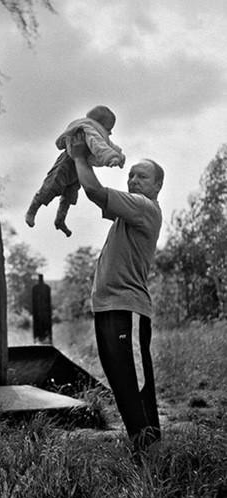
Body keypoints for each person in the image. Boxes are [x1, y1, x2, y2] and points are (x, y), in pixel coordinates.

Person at [70, 130, 164, 456]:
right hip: (109, 307)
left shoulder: (144, 207)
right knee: (122, 382)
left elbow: (94, 191)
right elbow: (98, 197)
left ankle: (150, 451)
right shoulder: (127, 215)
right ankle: (143, 446)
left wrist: (79, 155)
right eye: (131, 175)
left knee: (133, 382)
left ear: (157, 187)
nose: (133, 180)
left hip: (128, 308)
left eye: (142, 176)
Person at [25, 105, 125, 236]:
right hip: (67, 161)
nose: (110, 133)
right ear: (99, 124)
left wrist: (119, 155)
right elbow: (99, 146)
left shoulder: (96, 132)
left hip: (80, 165)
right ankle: (32, 210)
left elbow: (109, 145)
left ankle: (60, 220)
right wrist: (110, 158)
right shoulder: (88, 130)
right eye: (109, 129)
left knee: (70, 194)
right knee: (51, 186)